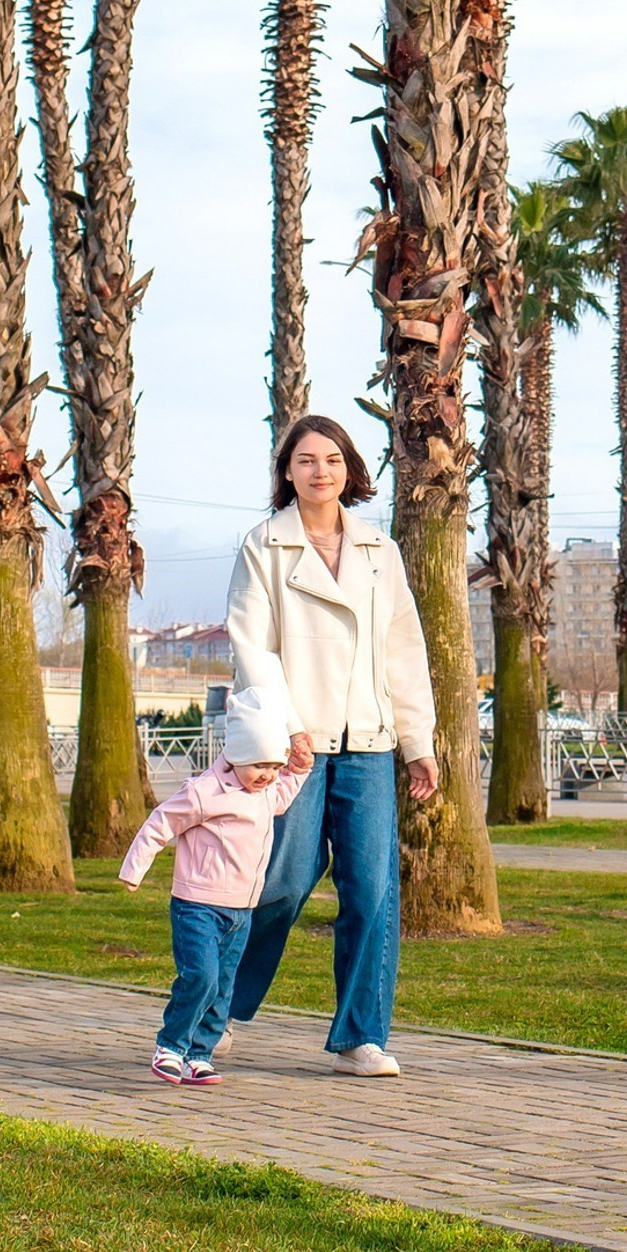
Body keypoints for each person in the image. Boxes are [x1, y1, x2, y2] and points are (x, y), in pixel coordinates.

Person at [220, 413, 439, 1078]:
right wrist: (284, 728)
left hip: (370, 744)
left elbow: (404, 650)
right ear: (286, 472)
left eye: (332, 460)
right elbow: (249, 645)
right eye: (306, 460)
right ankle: (222, 1007)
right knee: (283, 881)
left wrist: (416, 742)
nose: (320, 471)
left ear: (350, 471)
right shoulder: (264, 546)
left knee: (372, 890)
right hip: (297, 746)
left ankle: (359, 1037)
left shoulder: (379, 551)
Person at [118, 684, 307, 1086]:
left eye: (275, 766)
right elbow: (161, 824)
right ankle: (170, 1046)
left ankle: (199, 1054)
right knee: (200, 976)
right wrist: (134, 868)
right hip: (197, 904)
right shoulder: (205, 792)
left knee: (223, 986)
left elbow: (284, 794)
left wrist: (300, 770)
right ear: (236, 755)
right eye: (260, 766)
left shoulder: (266, 790)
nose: (269, 776)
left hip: (243, 908)